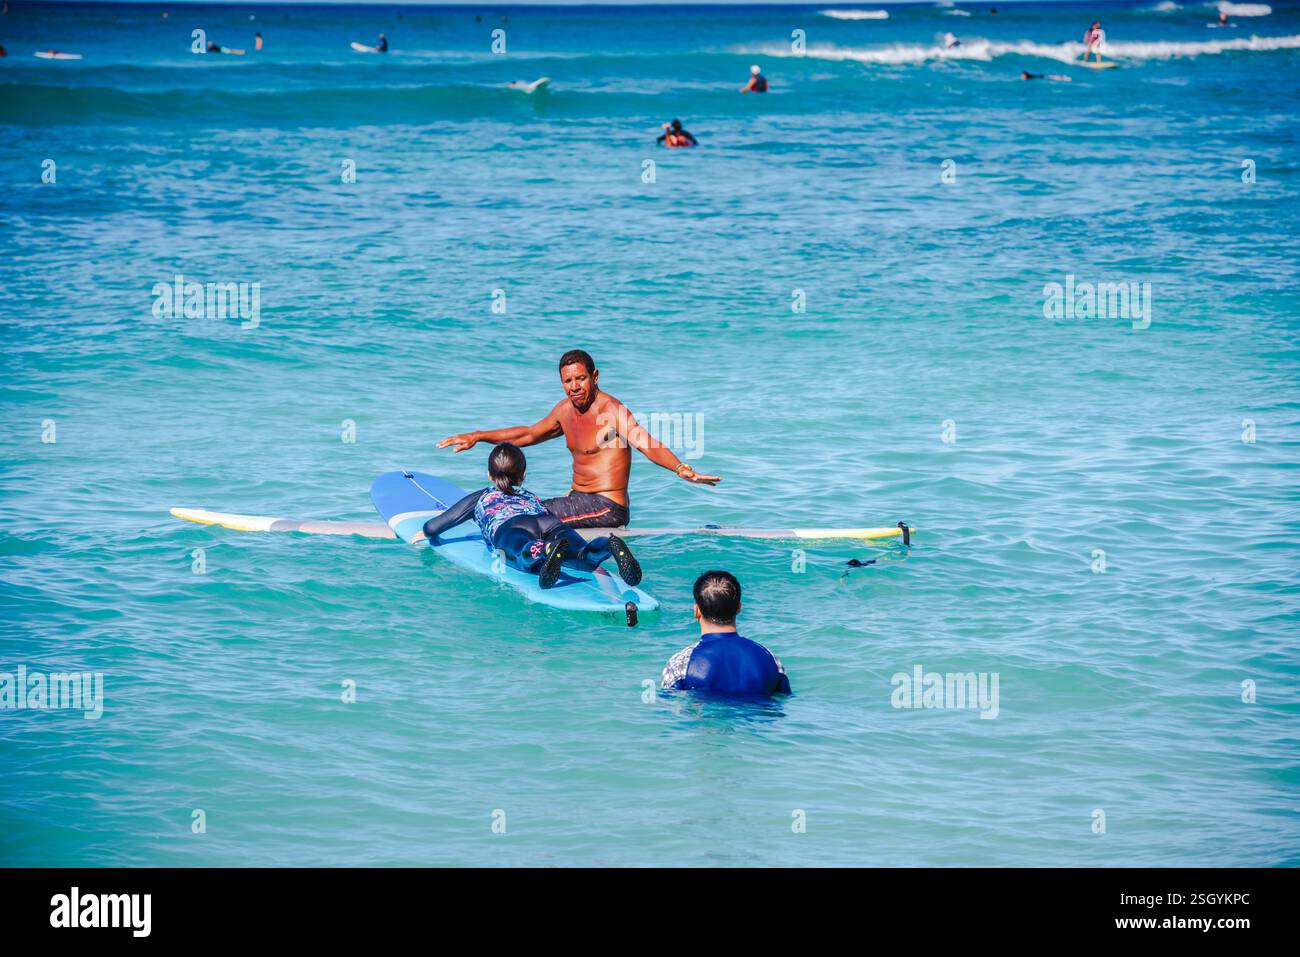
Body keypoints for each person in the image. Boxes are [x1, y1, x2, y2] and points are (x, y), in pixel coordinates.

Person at [439, 350, 720, 529]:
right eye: (568, 381)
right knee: (518, 505)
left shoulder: (611, 411)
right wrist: (478, 436)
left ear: (594, 377)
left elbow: (644, 442)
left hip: (607, 507)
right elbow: (527, 434)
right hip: (577, 501)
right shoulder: (565, 411)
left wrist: (681, 468)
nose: (574, 387)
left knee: (522, 515)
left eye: (581, 379)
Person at [421, 443, 642, 590]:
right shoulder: (530, 496)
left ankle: (543, 550)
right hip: (548, 521)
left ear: (489, 474)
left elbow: (433, 528)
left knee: (520, 555)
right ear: (523, 475)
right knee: (583, 557)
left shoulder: (482, 497)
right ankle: (609, 546)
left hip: (511, 527)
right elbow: (543, 513)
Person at [661, 571, 791, 695]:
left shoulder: (680, 664)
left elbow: (671, 711)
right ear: (739, 608)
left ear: (697, 611)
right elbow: (783, 704)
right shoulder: (770, 659)